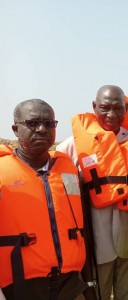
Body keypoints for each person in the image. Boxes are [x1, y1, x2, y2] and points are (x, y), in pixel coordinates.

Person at [57, 85, 128, 300]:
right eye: (105, 108)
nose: (112, 115)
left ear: (126, 108)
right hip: (96, 245)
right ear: (94, 107)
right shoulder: (73, 147)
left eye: (118, 108)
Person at [0, 99, 87, 299]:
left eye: (49, 124)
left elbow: (83, 229)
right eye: (32, 123)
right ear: (15, 129)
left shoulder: (69, 171)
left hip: (70, 284)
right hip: (19, 286)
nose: (42, 129)